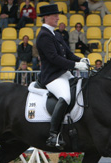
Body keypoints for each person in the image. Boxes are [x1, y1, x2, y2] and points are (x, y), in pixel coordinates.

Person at [36, 4, 88, 148]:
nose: (58, 18)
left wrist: (80, 60)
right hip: (52, 77)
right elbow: (53, 58)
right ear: (46, 18)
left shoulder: (56, 34)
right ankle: (53, 134)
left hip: (63, 73)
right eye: (54, 16)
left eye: (57, 15)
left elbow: (68, 53)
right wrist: (75, 66)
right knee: (65, 97)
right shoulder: (43, 36)